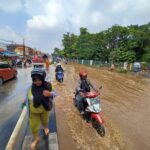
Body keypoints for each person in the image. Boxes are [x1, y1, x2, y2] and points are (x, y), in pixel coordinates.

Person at [25, 68, 56, 150]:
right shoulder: (30, 88)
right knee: (33, 126)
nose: (37, 82)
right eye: (35, 80)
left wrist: (50, 94)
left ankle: (45, 128)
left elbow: (55, 93)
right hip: (33, 112)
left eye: (39, 80)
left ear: (43, 78)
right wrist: (24, 103)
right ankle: (36, 138)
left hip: (45, 110)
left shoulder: (48, 86)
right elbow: (26, 98)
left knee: (45, 121)